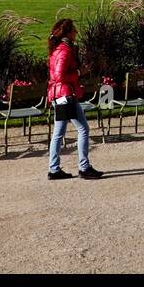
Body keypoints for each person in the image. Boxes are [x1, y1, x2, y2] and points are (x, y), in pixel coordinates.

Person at [46, 18, 103, 180]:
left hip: (59, 94)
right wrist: (79, 73)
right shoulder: (65, 50)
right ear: (68, 33)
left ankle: (54, 168)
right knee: (83, 128)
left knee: (58, 133)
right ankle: (84, 167)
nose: (76, 33)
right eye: (74, 30)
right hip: (65, 94)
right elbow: (59, 75)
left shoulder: (58, 49)